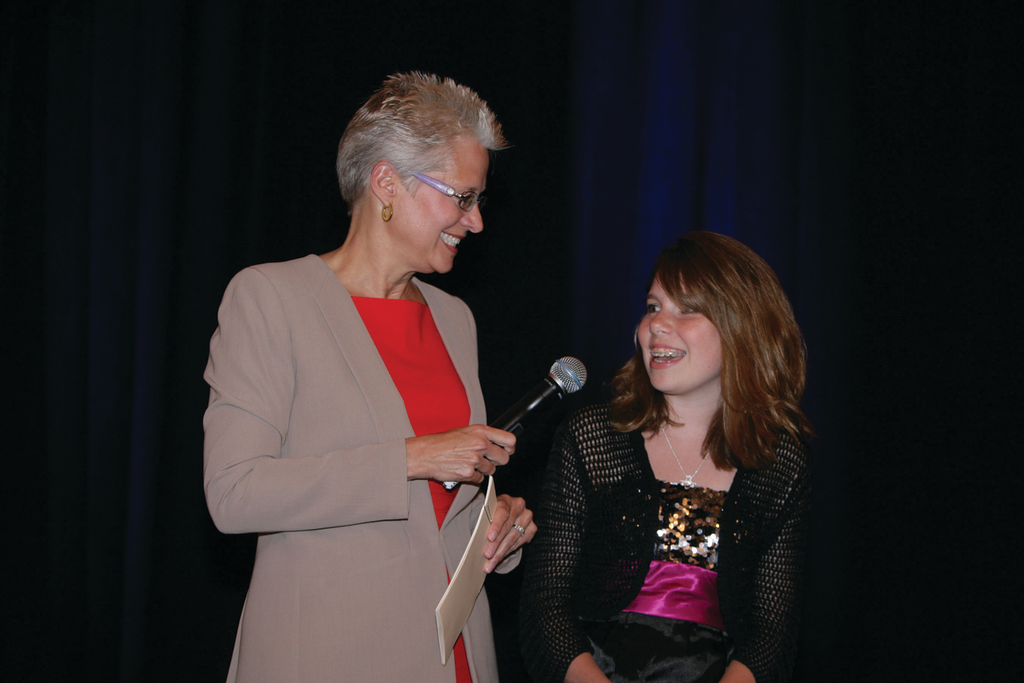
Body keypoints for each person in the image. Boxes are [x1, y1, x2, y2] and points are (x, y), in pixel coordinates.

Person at [203, 72, 536, 683]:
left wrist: (494, 523)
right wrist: (411, 458)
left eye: (479, 200)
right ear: (387, 182)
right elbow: (233, 492)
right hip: (329, 653)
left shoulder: (455, 319)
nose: (477, 221)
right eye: (462, 197)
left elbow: (439, 506)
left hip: (457, 655)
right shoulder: (272, 297)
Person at [519, 231, 812, 683]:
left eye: (686, 309)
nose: (656, 324)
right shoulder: (594, 437)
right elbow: (546, 607)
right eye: (653, 307)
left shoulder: (778, 462)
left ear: (742, 325)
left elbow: (772, 633)